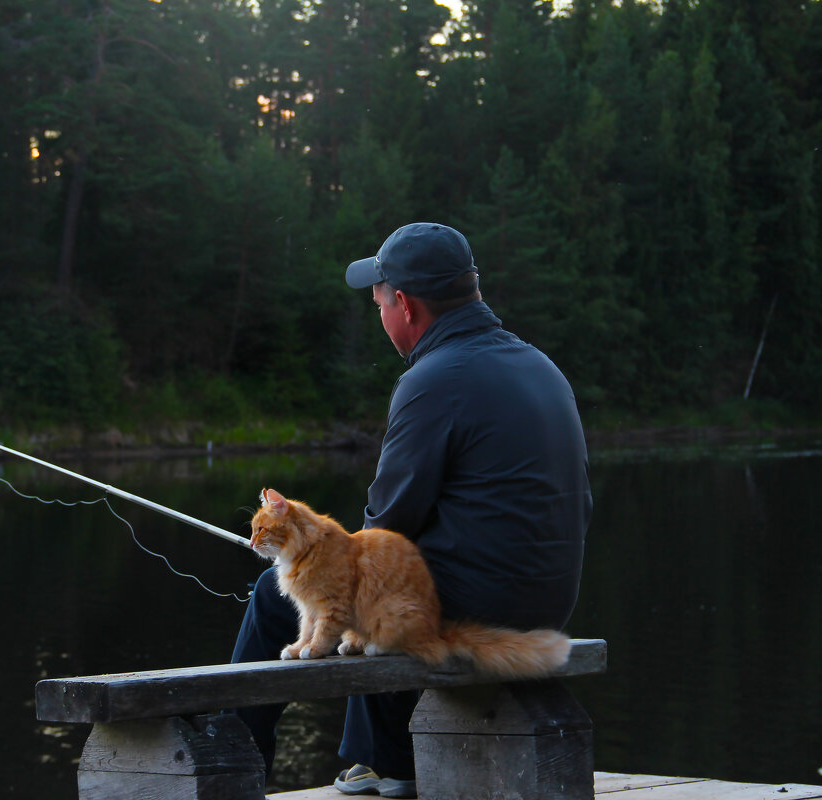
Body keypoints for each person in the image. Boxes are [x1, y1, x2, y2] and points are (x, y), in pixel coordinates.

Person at [230, 222, 592, 798]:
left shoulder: (433, 380)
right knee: (362, 573)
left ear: (404, 304)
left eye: (378, 302)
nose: (379, 316)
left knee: (290, 592)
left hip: (481, 604)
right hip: (549, 600)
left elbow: (388, 524)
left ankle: (239, 764)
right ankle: (382, 754)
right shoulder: (538, 365)